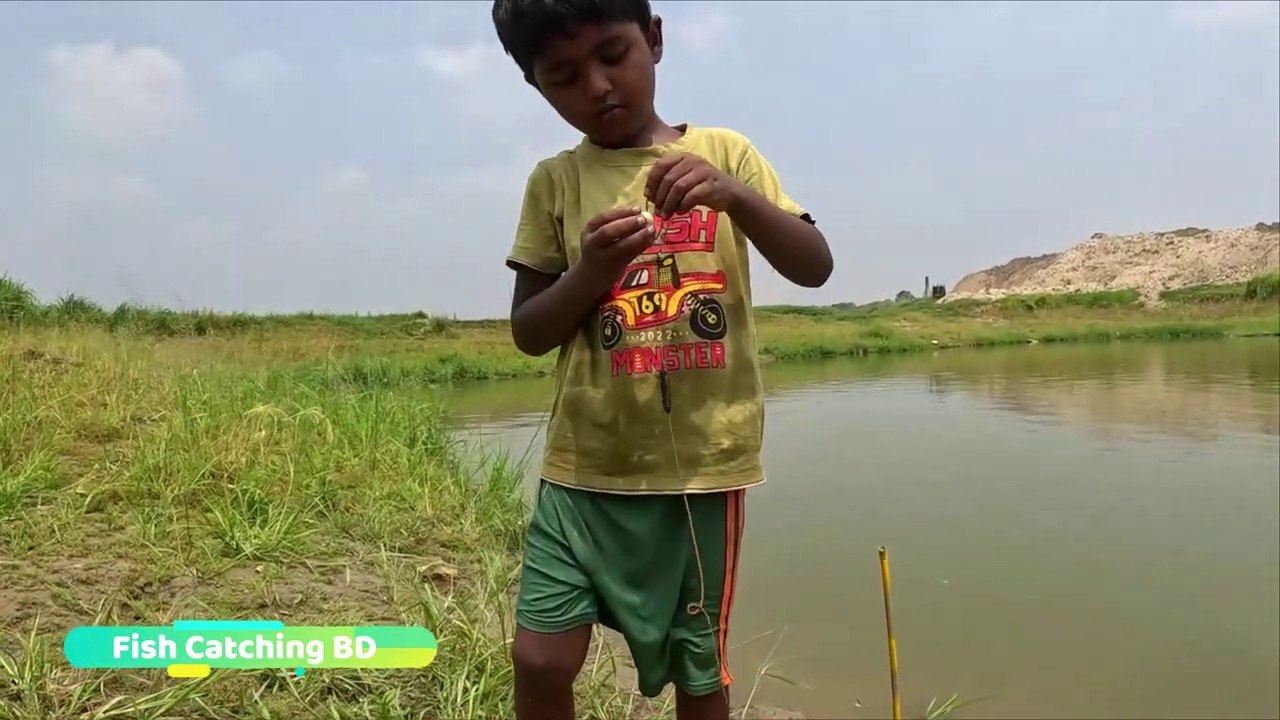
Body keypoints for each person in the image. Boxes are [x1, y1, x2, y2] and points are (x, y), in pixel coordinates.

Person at [490, 1, 833, 718]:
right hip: (582, 469)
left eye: (613, 56)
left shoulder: (726, 153)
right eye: (564, 76)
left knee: (698, 668)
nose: (597, 86)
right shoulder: (554, 182)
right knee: (540, 656)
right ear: (537, 87)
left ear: (654, 39)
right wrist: (589, 273)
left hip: (701, 474)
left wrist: (735, 197)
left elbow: (815, 266)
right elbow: (529, 329)